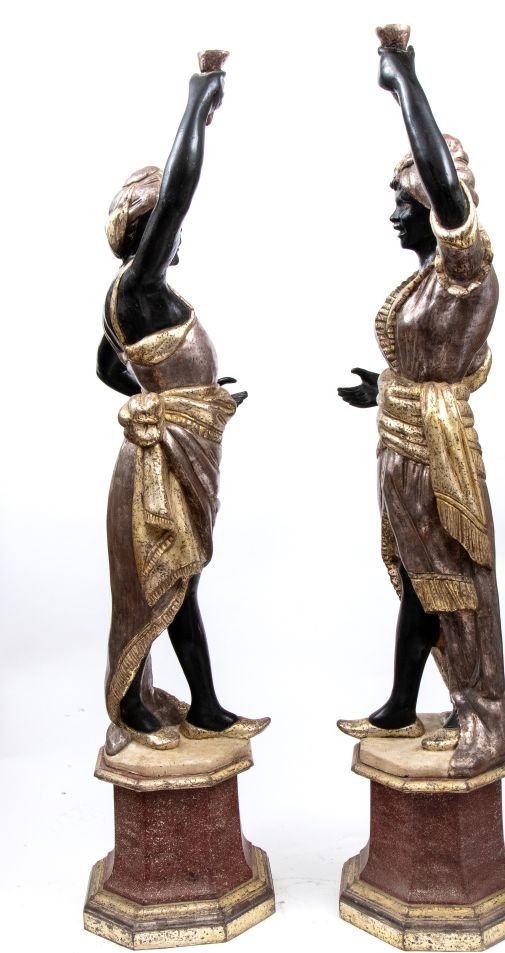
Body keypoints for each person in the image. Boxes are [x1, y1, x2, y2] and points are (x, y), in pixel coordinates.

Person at [337, 41, 505, 778]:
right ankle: (402, 706)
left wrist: (402, 80)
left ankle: (481, 716)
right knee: (416, 578)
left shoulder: (464, 270)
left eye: (403, 205)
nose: (392, 216)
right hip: (403, 441)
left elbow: (446, 186)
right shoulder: (427, 282)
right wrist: (380, 389)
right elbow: (430, 359)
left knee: (451, 583)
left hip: (434, 453)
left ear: (435, 209)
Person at [97, 66, 269, 752]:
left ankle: (208, 710)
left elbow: (108, 366)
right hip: (154, 469)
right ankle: (131, 706)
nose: (175, 233)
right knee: (156, 582)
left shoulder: (129, 298)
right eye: (163, 226)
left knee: (181, 581)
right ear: (149, 233)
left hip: (172, 450)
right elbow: (178, 193)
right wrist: (200, 102)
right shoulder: (137, 286)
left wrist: (190, 402)